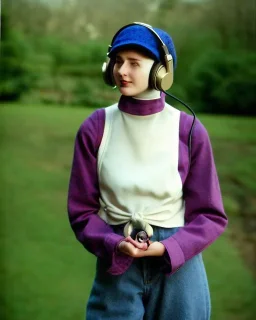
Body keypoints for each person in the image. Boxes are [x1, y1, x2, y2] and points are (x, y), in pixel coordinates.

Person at [67, 22, 228, 320]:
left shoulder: (189, 129)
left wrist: (170, 248)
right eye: (117, 61)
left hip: (179, 264)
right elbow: (81, 212)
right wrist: (114, 243)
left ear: (161, 71)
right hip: (116, 259)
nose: (122, 70)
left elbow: (211, 215)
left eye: (134, 63)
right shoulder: (96, 127)